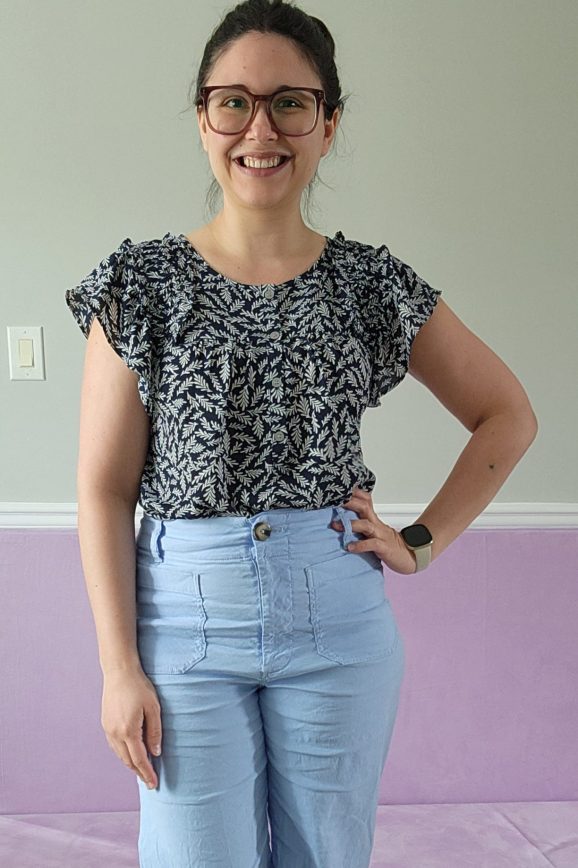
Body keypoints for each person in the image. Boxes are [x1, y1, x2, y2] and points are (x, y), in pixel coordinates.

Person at [64, 1, 538, 865]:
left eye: (290, 101)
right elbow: (103, 489)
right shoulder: (139, 286)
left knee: (328, 854)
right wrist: (117, 667)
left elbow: (508, 413)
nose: (260, 127)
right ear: (203, 116)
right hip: (183, 624)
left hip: (337, 618)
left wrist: (421, 541)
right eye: (233, 100)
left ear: (329, 122)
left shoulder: (370, 284)